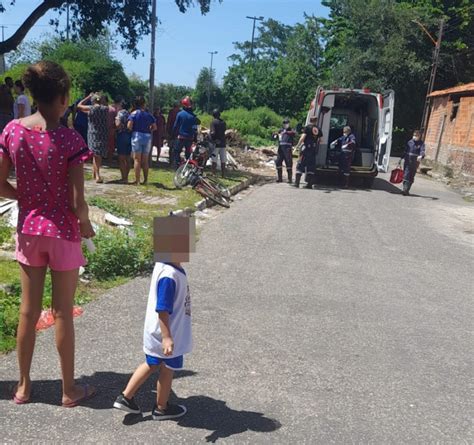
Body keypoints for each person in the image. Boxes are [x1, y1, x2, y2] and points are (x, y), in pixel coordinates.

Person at [0, 60, 95, 407]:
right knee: (62, 312)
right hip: (63, 233)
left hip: (29, 229)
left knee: (28, 311)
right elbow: (76, 200)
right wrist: (85, 224)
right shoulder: (71, 138)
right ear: (64, 98)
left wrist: (22, 196)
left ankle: (24, 387)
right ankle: (69, 389)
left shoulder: (12, 130)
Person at [114, 216, 194, 420]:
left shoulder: (164, 265)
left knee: (151, 363)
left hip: (158, 331)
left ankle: (126, 397)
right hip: (168, 333)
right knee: (167, 369)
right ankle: (161, 408)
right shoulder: (169, 276)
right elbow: (163, 309)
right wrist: (167, 337)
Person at [77, 93, 109, 183]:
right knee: (98, 154)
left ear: (93, 100)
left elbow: (79, 106)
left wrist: (88, 97)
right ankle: (95, 173)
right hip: (102, 133)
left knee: (95, 154)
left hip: (92, 133)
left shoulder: (91, 109)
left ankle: (97, 175)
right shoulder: (105, 109)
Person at [128, 96, 156, 185]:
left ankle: (137, 180)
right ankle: (146, 180)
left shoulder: (133, 114)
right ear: (144, 103)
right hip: (147, 137)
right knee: (145, 160)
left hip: (136, 135)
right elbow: (154, 127)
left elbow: (129, 126)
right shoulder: (149, 115)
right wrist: (149, 129)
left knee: (137, 160)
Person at [172, 96, 199, 169]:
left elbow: (175, 127)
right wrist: (195, 139)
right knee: (188, 154)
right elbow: (195, 129)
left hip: (180, 137)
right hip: (190, 138)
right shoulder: (194, 116)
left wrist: (173, 135)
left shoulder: (180, 114)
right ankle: (187, 167)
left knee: (176, 152)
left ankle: (177, 167)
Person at [293, 125, 322, 189]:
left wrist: (297, 146)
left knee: (300, 165)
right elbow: (321, 140)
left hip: (306, 149)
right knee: (311, 167)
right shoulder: (318, 129)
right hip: (313, 150)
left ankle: (296, 183)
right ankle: (309, 184)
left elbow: (303, 137)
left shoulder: (308, 127)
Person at [401, 130, 425, 196]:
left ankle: (407, 189)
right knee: (406, 174)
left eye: (416, 136)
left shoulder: (421, 143)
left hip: (415, 161)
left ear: (419, 136)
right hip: (408, 160)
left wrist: (421, 155)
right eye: (414, 135)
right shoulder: (410, 142)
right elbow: (405, 150)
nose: (415, 137)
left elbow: (422, 151)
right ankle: (404, 189)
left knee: (411, 175)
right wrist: (401, 158)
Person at [274, 118, 296, 183]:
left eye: (286, 123)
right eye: (284, 123)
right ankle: (280, 178)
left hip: (287, 148)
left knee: (288, 163)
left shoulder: (291, 130)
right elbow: (276, 136)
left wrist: (286, 132)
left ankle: (290, 179)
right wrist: (275, 135)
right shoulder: (281, 130)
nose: (285, 125)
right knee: (278, 162)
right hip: (280, 148)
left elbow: (294, 133)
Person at [115, 104, 132, 183]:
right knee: (128, 158)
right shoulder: (130, 114)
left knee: (121, 158)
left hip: (121, 136)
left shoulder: (119, 113)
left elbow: (117, 125)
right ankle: (126, 177)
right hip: (130, 136)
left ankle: (123, 178)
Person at [209, 109, 227, 177]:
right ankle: (223, 174)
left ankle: (213, 173)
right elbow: (224, 131)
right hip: (223, 143)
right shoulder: (223, 122)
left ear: (213, 115)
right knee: (223, 160)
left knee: (214, 160)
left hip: (216, 143)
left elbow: (213, 133)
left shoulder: (213, 122)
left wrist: (210, 137)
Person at [106, 96, 118, 161]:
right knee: (110, 145)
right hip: (111, 129)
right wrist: (115, 128)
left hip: (102, 129)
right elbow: (115, 120)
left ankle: (103, 158)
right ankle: (109, 158)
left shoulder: (101, 108)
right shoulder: (113, 110)